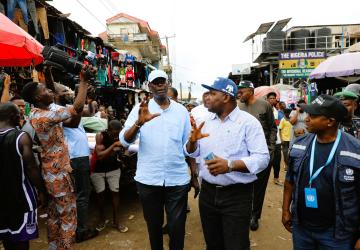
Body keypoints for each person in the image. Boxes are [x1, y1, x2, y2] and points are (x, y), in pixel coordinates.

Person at [185, 77, 269, 250]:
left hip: (236, 196)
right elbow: (193, 152)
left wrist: (230, 165)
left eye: (211, 93)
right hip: (208, 193)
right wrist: (192, 142)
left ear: (225, 97)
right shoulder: (204, 122)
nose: (206, 97)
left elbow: (262, 159)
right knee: (213, 244)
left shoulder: (249, 123)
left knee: (236, 245)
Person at [21, 65, 95, 249]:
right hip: (59, 175)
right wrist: (83, 81)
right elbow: (77, 108)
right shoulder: (45, 117)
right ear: (38, 98)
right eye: (45, 90)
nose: (50, 91)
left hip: (52, 174)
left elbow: (53, 94)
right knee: (68, 219)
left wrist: (48, 74)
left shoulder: (40, 112)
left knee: (54, 217)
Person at [120, 70, 195, 250]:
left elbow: (187, 149)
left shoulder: (181, 111)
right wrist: (139, 123)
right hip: (148, 179)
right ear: (150, 86)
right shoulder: (140, 109)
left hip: (176, 179)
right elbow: (124, 140)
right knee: (154, 228)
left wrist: (193, 143)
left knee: (177, 229)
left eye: (163, 82)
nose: (160, 85)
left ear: (168, 84)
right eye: (156, 82)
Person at [282, 95, 360, 250]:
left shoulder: (354, 150)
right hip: (302, 229)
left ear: (330, 121)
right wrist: (285, 210)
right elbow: (289, 181)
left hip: (337, 234)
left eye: (313, 116)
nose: (306, 119)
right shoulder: (299, 144)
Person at [0, 102, 47, 250]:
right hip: (22, 198)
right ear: (13, 117)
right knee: (21, 241)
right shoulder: (21, 137)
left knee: (7, 237)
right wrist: (42, 191)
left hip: (1, 199)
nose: (21, 118)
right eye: (19, 115)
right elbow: (32, 168)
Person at [237, 80, 277, 231]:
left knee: (259, 187)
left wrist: (271, 148)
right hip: (243, 155)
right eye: (238, 91)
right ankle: (244, 213)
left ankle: (255, 216)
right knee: (243, 185)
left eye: (242, 91)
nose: (239, 93)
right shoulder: (237, 107)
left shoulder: (264, 105)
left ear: (251, 91)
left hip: (262, 153)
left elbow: (273, 128)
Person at [91, 120, 128, 233]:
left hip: (113, 169)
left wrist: (123, 154)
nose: (116, 135)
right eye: (114, 133)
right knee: (100, 195)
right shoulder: (100, 135)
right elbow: (100, 156)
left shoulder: (121, 135)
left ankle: (116, 221)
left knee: (115, 193)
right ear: (109, 130)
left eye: (118, 133)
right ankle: (102, 220)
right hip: (98, 170)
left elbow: (126, 147)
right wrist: (113, 146)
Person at [267, 92, 282, 185]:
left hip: (277, 140)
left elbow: (278, 125)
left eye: (274, 98)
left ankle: (276, 178)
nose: (272, 100)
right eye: (270, 98)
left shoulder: (278, 112)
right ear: (267, 99)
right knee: (266, 161)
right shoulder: (263, 110)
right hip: (267, 141)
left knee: (277, 161)